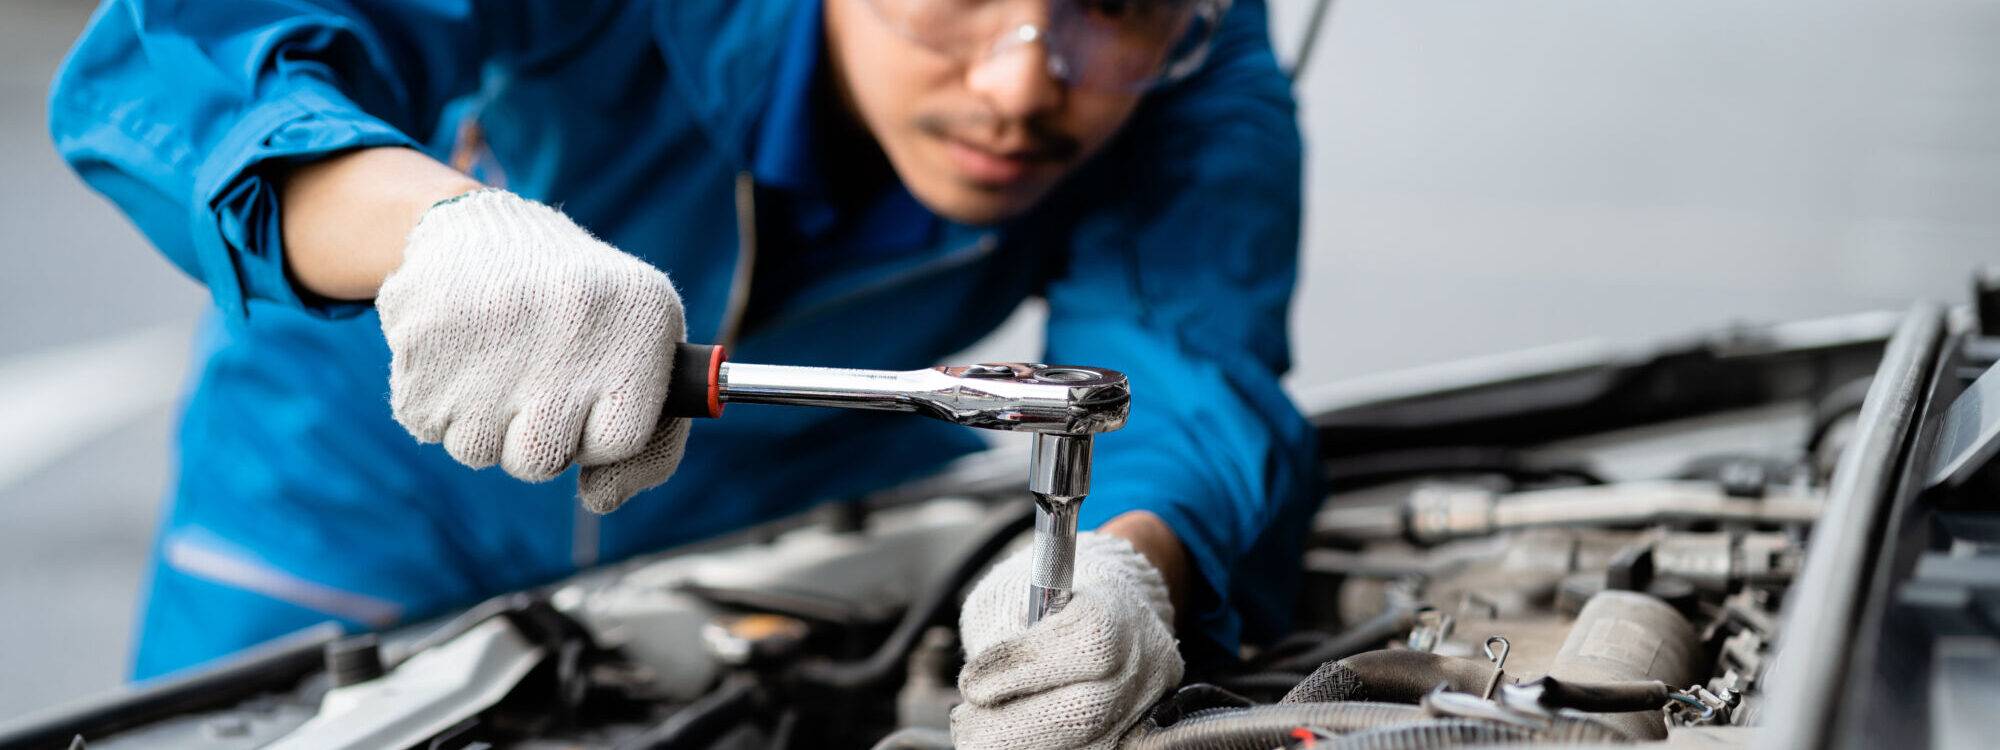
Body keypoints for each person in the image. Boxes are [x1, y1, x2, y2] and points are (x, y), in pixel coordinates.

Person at [50, 0, 1314, 746]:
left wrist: (1130, 568)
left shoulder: (1203, 57)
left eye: (1117, 7)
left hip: (788, 512)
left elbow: (1189, 369)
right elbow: (178, 60)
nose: (1019, 86)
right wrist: (437, 233)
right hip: (355, 491)